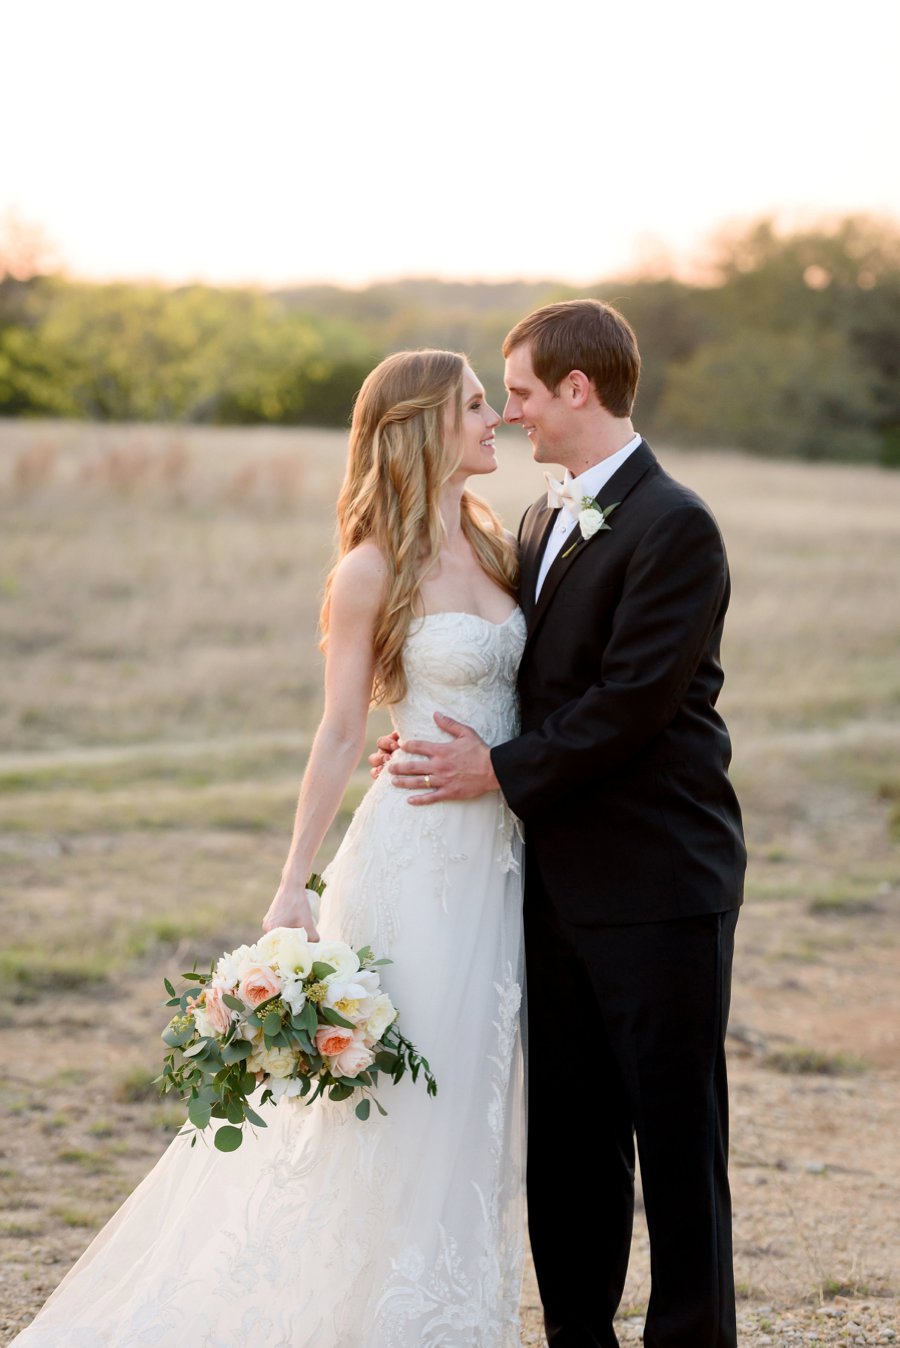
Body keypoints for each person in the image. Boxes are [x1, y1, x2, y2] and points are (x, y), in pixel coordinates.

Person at [12, 350, 527, 1348]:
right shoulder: (370, 565)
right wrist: (292, 882)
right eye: (474, 404)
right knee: (390, 1106)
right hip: (412, 860)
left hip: (497, 859)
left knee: (473, 1093)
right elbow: (339, 732)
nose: (494, 416)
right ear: (423, 424)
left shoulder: (495, 538)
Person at [382, 300, 747, 1348]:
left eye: (528, 394)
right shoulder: (542, 516)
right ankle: (576, 1333)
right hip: (550, 878)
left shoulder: (676, 524)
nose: (513, 416)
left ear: (578, 390)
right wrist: (431, 743)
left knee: (678, 1141)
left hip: (659, 883)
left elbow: (631, 701)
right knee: (573, 1140)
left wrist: (490, 768)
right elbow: (524, 683)